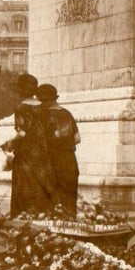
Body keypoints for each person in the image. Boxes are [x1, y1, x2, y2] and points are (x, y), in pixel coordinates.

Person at [4, 73, 55, 218]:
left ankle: (22, 223)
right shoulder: (45, 107)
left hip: (26, 155)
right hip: (43, 155)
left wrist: (9, 143)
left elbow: (22, 133)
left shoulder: (21, 107)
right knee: (41, 188)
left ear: (21, 89)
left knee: (25, 190)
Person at [35, 83, 80, 216]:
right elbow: (77, 138)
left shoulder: (41, 115)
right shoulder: (67, 114)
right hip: (69, 162)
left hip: (50, 163)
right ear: (56, 97)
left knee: (51, 205)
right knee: (69, 202)